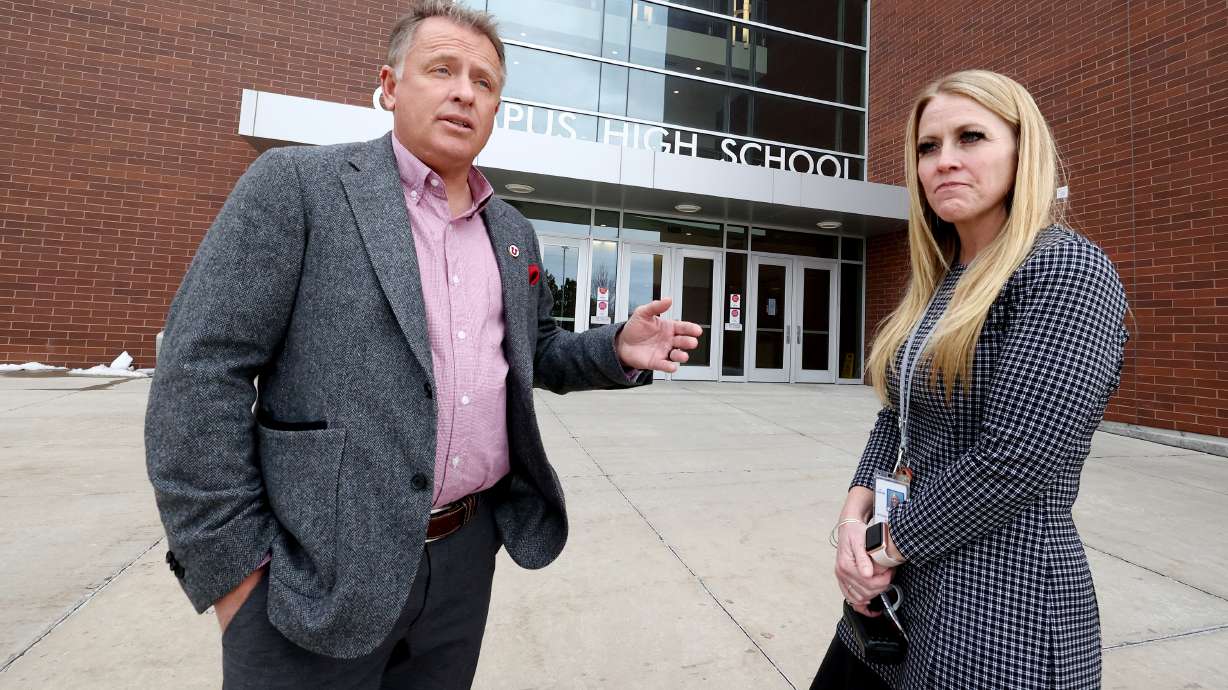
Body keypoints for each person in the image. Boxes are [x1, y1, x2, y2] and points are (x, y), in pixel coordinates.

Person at [144, 2, 702, 688]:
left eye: (485, 82)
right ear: (389, 84)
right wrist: (232, 570)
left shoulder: (513, 231)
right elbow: (200, 372)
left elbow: (536, 350)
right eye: (442, 70)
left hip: (465, 555)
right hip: (315, 565)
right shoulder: (298, 187)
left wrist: (617, 348)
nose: (465, 91)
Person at [812, 70, 1128, 690]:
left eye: (971, 137)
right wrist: (856, 513)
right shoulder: (942, 282)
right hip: (898, 600)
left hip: (998, 611)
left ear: (1021, 150)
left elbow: (1017, 459)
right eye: (929, 147)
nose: (944, 162)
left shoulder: (1064, 269)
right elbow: (898, 414)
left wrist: (881, 544)